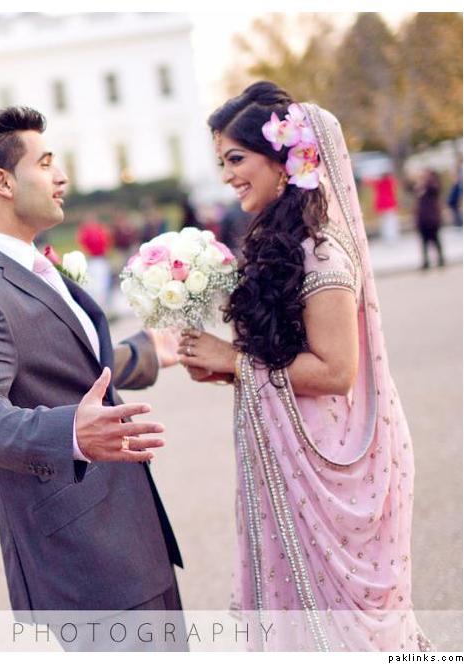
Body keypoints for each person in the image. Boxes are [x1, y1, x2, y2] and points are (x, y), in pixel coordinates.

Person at [178, 81, 429, 651]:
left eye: (236, 159)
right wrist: (228, 369)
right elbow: (278, 357)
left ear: (282, 161)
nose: (227, 176)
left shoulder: (321, 251)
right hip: (286, 448)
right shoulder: (277, 242)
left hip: (329, 458)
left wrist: (235, 360)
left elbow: (336, 371)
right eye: (222, 163)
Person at [0, 107, 184, 651]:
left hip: (131, 538)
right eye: (45, 164)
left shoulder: (30, 265)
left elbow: (67, 362)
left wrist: (148, 352)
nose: (61, 177)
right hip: (86, 562)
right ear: (3, 182)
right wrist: (71, 433)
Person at [414, 169, 445, 270]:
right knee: (424, 242)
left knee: (436, 240)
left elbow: (436, 189)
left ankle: (441, 260)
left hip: (432, 219)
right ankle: (426, 262)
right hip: (423, 219)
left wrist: (426, 183)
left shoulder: (432, 185)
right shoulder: (420, 187)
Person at [372, 170, 400, 243]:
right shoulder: (390, 182)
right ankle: (392, 237)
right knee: (391, 222)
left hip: (382, 205)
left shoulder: (379, 182)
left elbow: (369, 182)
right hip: (390, 204)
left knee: (384, 222)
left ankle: (386, 237)